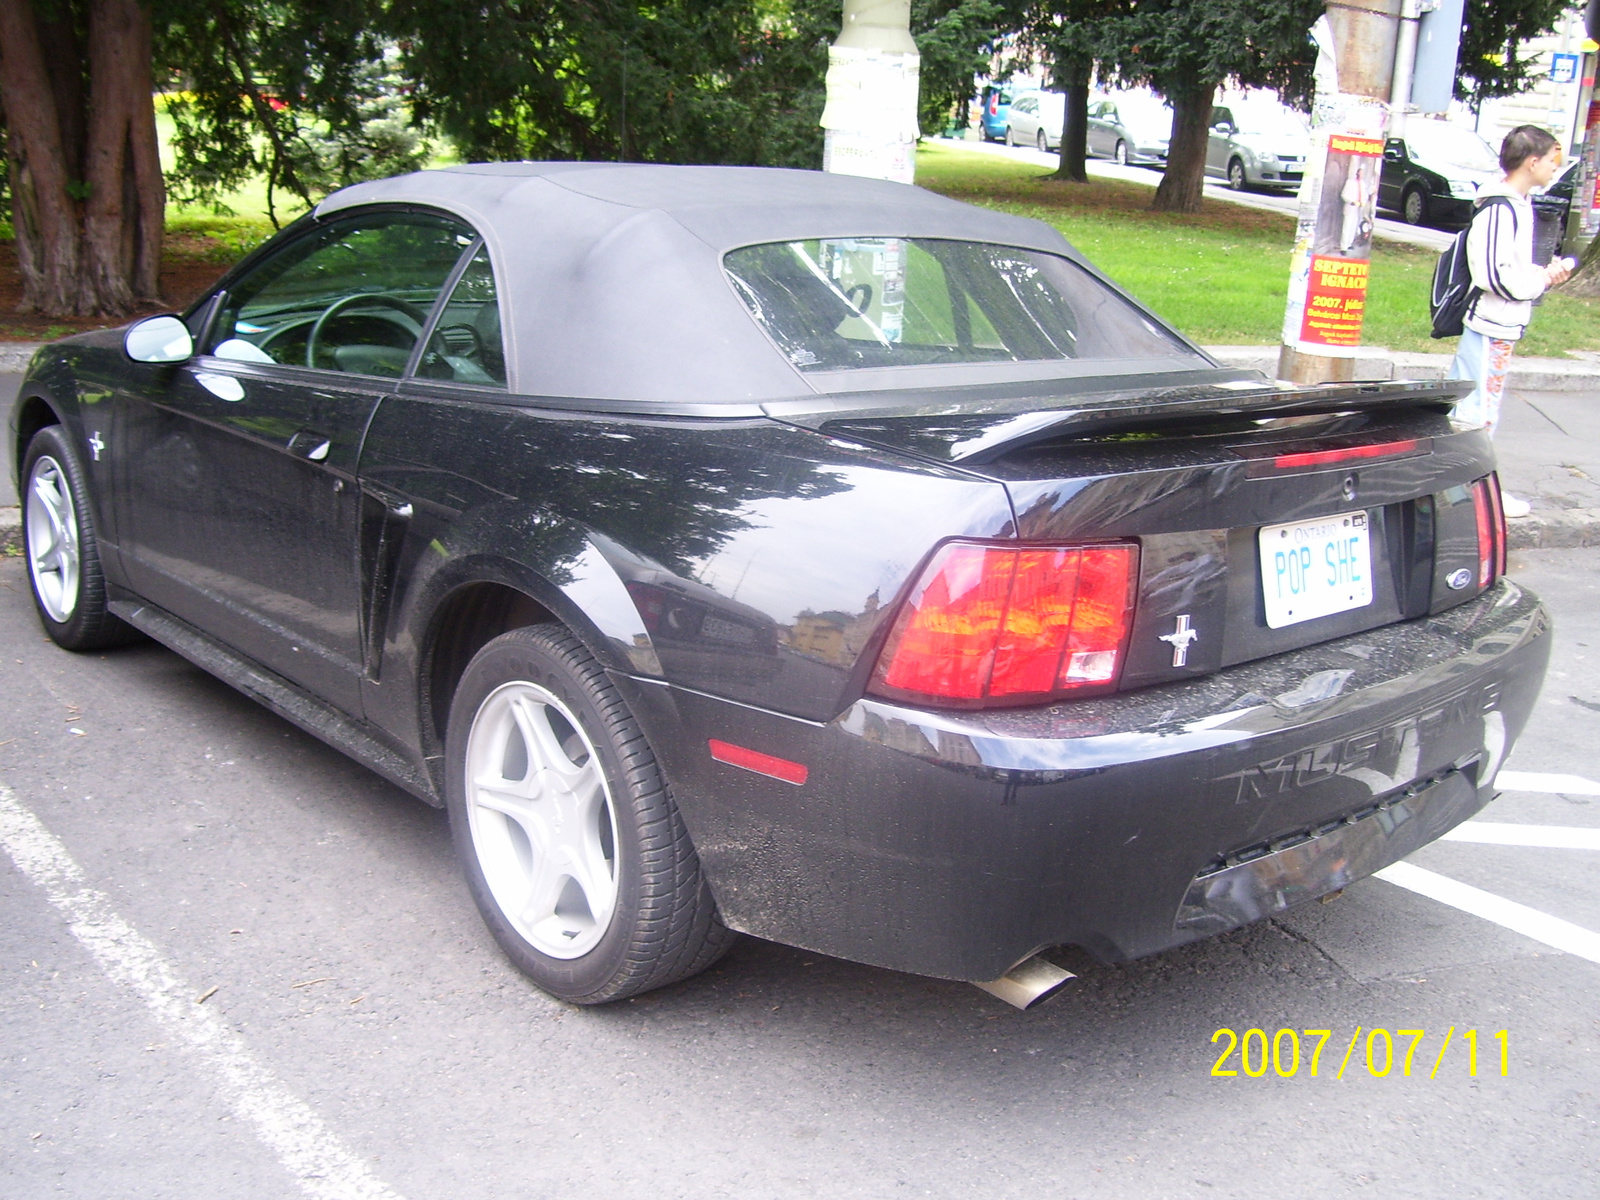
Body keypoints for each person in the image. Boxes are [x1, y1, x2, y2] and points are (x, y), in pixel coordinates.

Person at [1447, 124, 1573, 518]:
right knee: (1475, 413)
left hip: (1499, 325)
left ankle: (1465, 492)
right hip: (1490, 325)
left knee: (1480, 409)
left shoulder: (1514, 204)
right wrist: (1539, 279)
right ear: (1532, 162)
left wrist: (1539, 275)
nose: (1556, 169)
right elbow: (1494, 276)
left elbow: (1506, 270)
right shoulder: (1500, 209)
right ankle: (1474, 497)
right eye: (1552, 161)